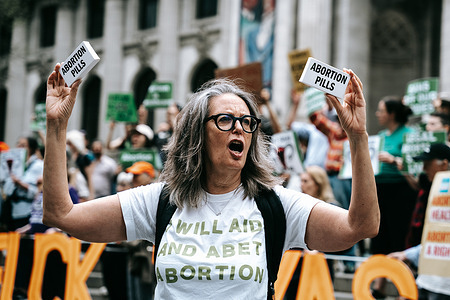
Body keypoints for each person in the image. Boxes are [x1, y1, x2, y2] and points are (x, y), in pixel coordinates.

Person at [43, 64, 379, 299]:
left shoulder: (277, 204)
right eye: (225, 119)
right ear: (195, 133)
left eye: (247, 122)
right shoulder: (159, 201)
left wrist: (358, 137)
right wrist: (56, 127)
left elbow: (360, 226)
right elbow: (63, 216)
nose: (239, 128)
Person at [371, 96, 418, 298]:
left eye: (381, 110)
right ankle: (380, 285)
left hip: (401, 191)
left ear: (391, 114)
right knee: (381, 236)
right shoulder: (380, 136)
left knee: (399, 236)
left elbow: (414, 164)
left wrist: (394, 160)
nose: (377, 114)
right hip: (380, 189)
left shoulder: (409, 134)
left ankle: (402, 286)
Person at [3, 136, 44, 231]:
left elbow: (38, 192)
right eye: (18, 144)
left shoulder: (38, 165)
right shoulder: (12, 164)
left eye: (23, 145)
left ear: (32, 148)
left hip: (28, 212)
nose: (19, 148)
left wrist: (20, 183)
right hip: (12, 211)